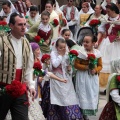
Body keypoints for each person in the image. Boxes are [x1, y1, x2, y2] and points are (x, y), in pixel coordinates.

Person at [0, 12, 36, 120]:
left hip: (20, 89)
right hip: (2, 88)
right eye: (20, 24)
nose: (24, 27)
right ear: (11, 26)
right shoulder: (1, 41)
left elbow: (29, 68)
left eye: (25, 24)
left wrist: (31, 85)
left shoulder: (26, 43)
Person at [42, 38, 82, 120]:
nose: (63, 49)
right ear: (56, 47)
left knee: (68, 98)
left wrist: (69, 68)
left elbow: (69, 70)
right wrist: (60, 55)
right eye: (60, 48)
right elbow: (55, 65)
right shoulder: (54, 53)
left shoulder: (67, 54)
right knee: (57, 98)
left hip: (66, 79)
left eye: (64, 47)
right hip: (56, 78)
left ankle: (69, 115)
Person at [74, 35, 102, 120]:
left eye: (87, 42)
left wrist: (96, 70)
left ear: (93, 43)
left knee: (91, 93)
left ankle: (86, 113)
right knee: (82, 93)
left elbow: (100, 65)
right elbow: (76, 64)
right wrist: (86, 67)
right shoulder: (80, 53)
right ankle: (82, 114)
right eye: (84, 41)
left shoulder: (97, 53)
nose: (85, 43)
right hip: (82, 77)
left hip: (92, 78)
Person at [95, 3, 120, 90]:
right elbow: (100, 31)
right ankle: (104, 86)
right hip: (107, 43)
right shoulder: (105, 18)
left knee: (116, 63)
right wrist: (97, 41)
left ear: (113, 10)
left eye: (109, 11)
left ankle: (115, 85)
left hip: (117, 44)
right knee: (104, 63)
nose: (107, 13)